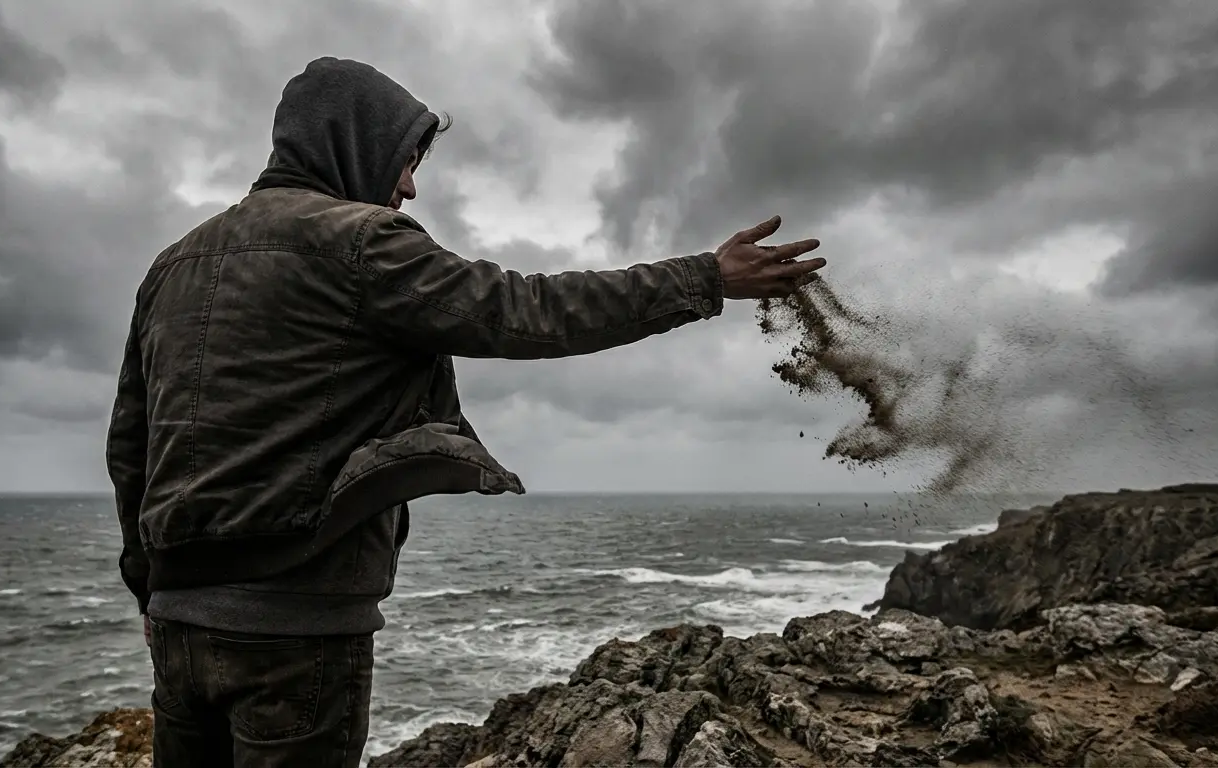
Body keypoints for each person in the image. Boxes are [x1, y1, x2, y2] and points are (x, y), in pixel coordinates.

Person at [106, 56, 824, 768]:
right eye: (404, 159)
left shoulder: (172, 264)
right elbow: (528, 310)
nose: (410, 185)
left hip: (177, 624)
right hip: (296, 631)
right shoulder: (362, 246)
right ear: (350, 142)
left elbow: (130, 447)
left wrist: (150, 587)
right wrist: (703, 278)